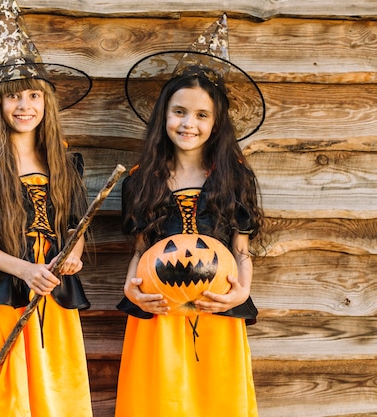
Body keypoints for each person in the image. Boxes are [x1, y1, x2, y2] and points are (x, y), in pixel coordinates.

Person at [115, 15, 266, 417]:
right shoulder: (140, 181)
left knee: (214, 401)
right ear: (164, 115)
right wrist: (132, 291)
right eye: (180, 112)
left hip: (216, 306)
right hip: (158, 310)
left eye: (202, 115)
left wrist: (241, 293)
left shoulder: (234, 177)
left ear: (216, 124)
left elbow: (242, 249)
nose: (189, 123)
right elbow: (140, 250)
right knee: (158, 401)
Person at [0, 1, 93, 416]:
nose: (24, 105)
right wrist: (25, 269)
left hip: (54, 289)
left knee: (58, 381)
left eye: (33, 95)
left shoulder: (64, 163)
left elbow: (74, 225)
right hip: (2, 288)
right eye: (14, 97)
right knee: (12, 389)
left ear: (46, 102)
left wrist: (73, 257)